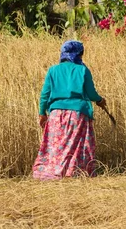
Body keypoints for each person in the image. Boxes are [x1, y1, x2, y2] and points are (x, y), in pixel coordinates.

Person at [33, 40, 107, 180]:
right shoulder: (82, 70)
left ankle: (51, 172)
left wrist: (42, 113)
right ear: (78, 54)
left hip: (55, 114)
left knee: (57, 144)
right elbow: (91, 93)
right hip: (77, 114)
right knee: (76, 145)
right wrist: (100, 100)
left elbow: (45, 94)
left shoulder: (53, 70)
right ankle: (73, 172)